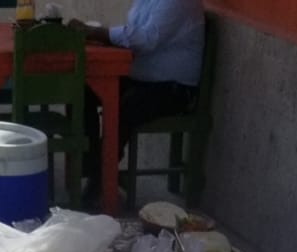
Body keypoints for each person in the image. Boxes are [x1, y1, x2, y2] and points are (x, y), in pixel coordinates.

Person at [68, 0, 204, 204]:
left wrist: (99, 33)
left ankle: (100, 181)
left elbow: (146, 39)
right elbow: (133, 32)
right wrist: (104, 37)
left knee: (124, 108)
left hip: (175, 89)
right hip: (142, 79)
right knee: (82, 90)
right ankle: (92, 166)